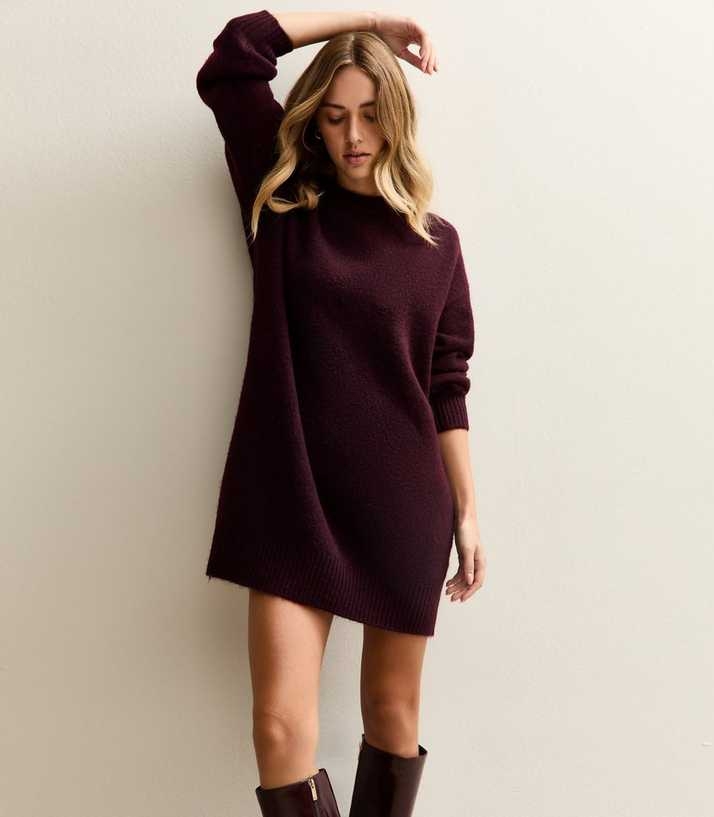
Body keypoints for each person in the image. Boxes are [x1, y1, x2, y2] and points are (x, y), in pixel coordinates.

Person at [196, 9, 487, 816]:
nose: (353, 135)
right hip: (287, 493)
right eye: (333, 116)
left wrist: (467, 511)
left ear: (396, 116)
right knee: (278, 726)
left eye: (369, 113)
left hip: (401, 500)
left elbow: (447, 383)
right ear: (313, 122)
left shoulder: (437, 245)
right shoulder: (283, 203)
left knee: (392, 714)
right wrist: (372, 21)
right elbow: (234, 59)